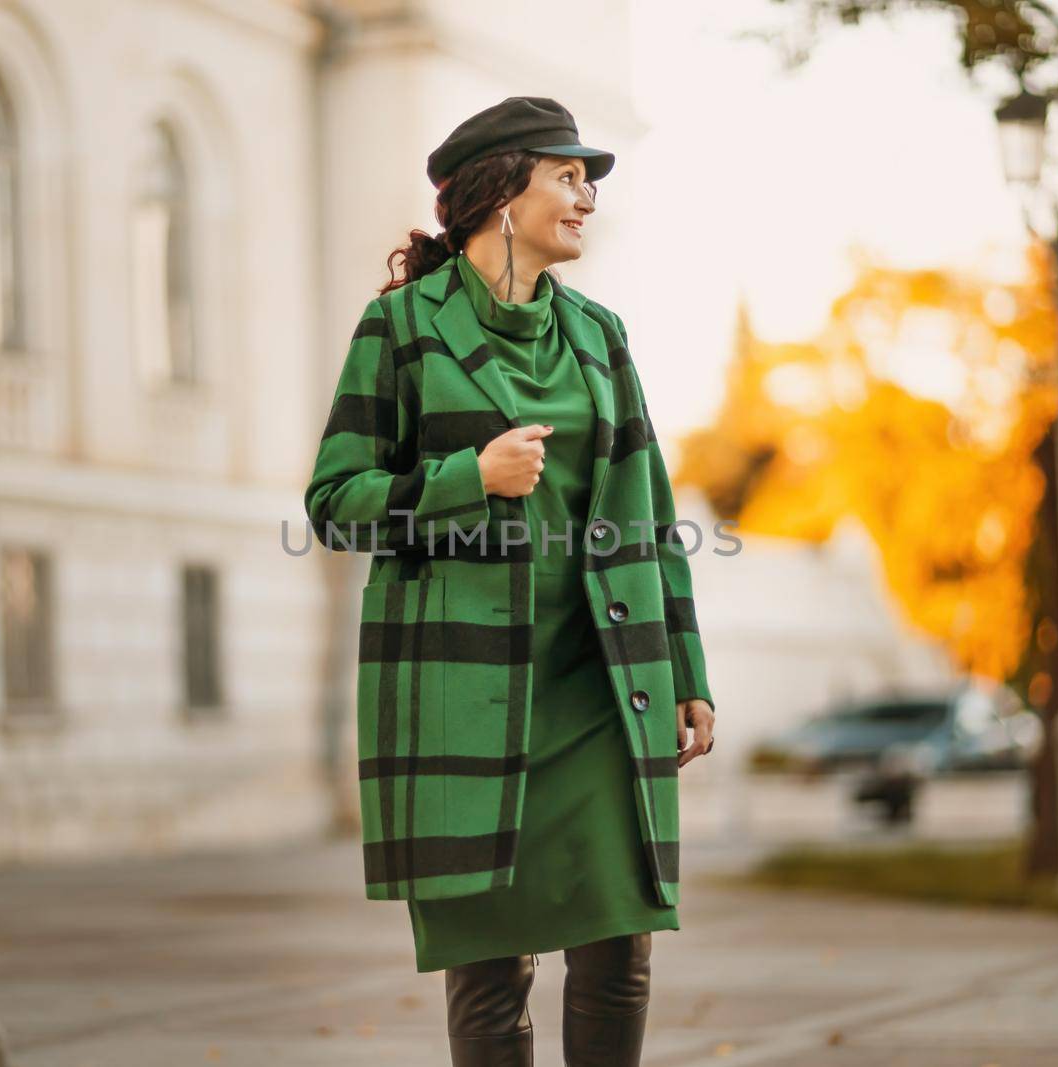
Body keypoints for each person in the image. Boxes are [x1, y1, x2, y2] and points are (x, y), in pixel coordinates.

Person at [304, 96, 717, 1067]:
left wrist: (687, 669)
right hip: (467, 690)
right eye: (567, 176)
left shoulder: (599, 334)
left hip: (598, 685)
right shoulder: (400, 329)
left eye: (588, 183)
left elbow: (650, 519)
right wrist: (464, 479)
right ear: (500, 192)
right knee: (492, 969)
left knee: (620, 946)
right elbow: (334, 500)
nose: (586, 198)